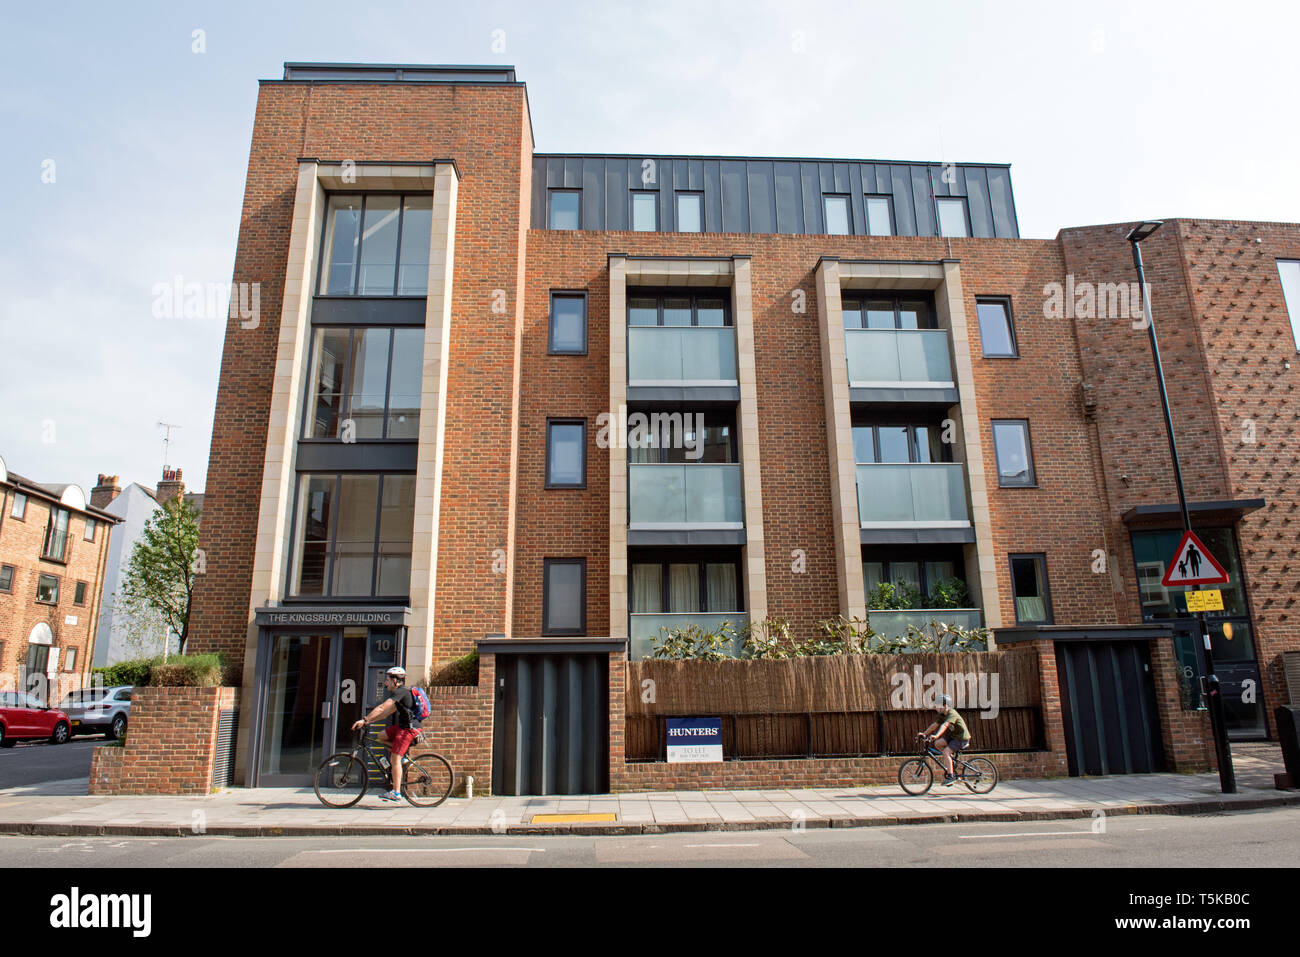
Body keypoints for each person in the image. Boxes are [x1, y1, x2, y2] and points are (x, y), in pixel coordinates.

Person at [351, 666, 421, 802]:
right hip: (402, 727)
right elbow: (385, 713)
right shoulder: (399, 694)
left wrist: (364, 719)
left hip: (409, 729)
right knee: (381, 736)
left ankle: (396, 793)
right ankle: (402, 756)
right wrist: (368, 721)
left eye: (387, 680)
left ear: (395, 680)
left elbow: (382, 707)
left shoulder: (401, 692)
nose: (385, 683)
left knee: (394, 759)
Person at [922, 693, 972, 786]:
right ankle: (951, 761)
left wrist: (936, 735)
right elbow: (934, 725)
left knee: (945, 752)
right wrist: (924, 733)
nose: (935, 708)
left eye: (937, 706)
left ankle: (950, 776)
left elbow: (945, 725)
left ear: (944, 706)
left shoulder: (952, 713)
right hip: (953, 736)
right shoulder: (942, 714)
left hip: (961, 738)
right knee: (938, 743)